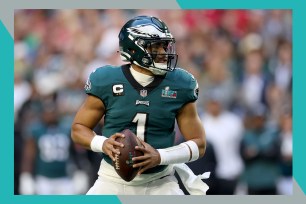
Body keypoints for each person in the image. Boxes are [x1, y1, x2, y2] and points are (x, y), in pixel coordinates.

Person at [71, 15, 207, 195]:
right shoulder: (106, 80)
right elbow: (78, 129)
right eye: (155, 46)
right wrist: (103, 144)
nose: (163, 52)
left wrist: (160, 157)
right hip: (111, 180)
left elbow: (199, 144)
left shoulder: (181, 84)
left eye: (164, 45)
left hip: (161, 182)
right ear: (133, 50)